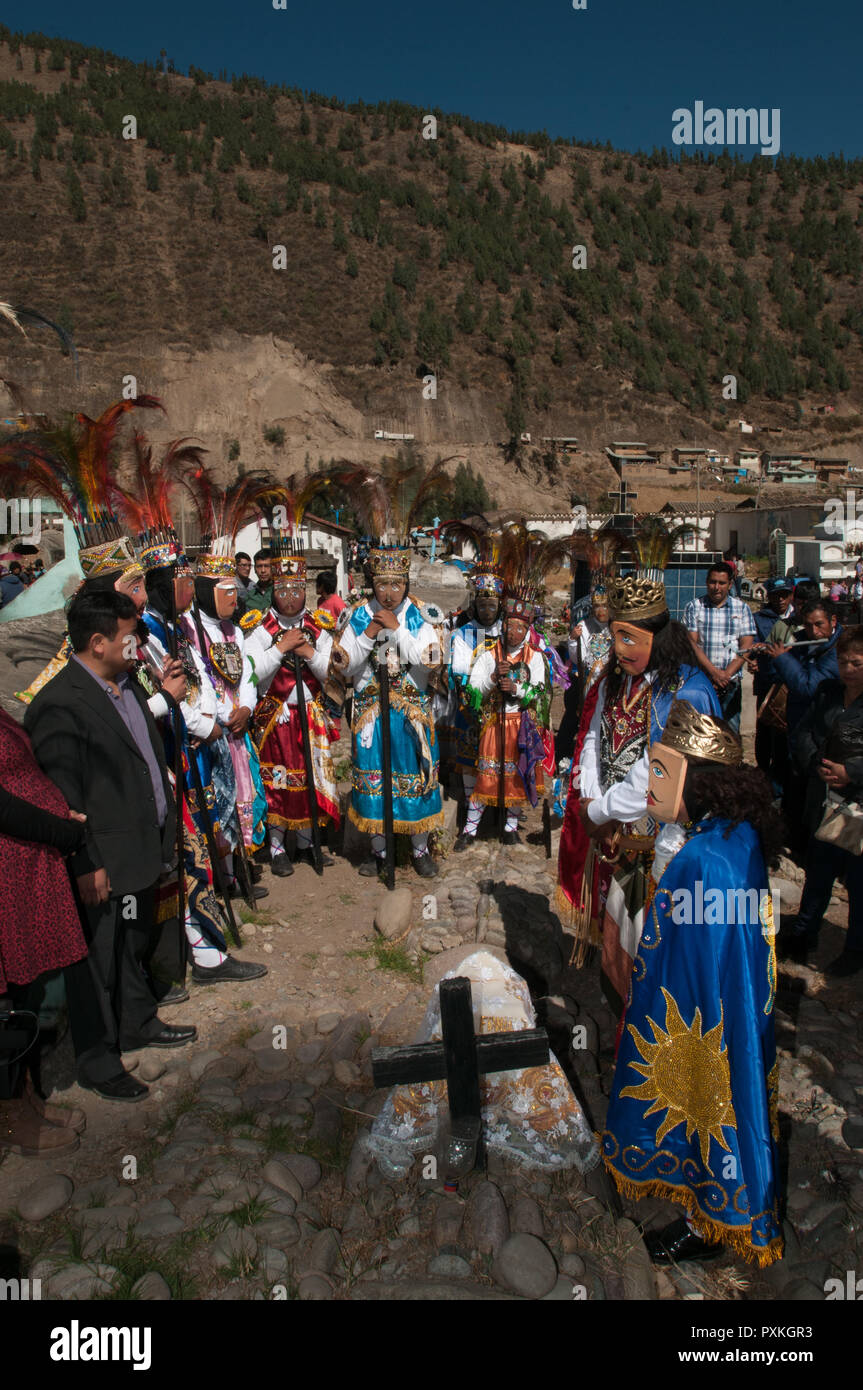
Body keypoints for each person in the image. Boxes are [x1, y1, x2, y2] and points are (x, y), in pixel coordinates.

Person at [602, 701, 784, 1268]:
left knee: (716, 1101)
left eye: (661, 771)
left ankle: (712, 1217)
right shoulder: (732, 837)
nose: (648, 784)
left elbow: (686, 960)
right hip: (733, 1007)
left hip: (707, 1017)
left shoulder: (707, 861)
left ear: (697, 782)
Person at [24, 590, 196, 1103]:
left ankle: (137, 1020)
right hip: (102, 861)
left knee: (130, 942)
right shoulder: (59, 704)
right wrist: (86, 862)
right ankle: (99, 1059)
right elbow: (63, 799)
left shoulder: (123, 685)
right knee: (97, 958)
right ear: (97, 642)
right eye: (128, 638)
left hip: (140, 850)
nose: (137, 646)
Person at [558, 557, 720, 1015]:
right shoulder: (612, 682)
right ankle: (621, 1003)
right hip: (613, 825)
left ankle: (652, 1013)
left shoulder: (685, 691)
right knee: (617, 927)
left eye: (630, 638)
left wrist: (597, 812)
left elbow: (657, 772)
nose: (620, 648)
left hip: (659, 836)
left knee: (649, 933)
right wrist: (589, 792)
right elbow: (592, 735)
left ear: (659, 638)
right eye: (614, 636)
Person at [140, 532, 267, 984]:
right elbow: (164, 697)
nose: (190, 588)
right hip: (174, 756)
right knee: (188, 854)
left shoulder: (174, 628)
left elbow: (209, 685)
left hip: (199, 747)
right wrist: (204, 724)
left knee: (200, 847)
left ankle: (207, 949)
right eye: (183, 580)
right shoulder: (148, 634)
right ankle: (201, 954)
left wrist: (219, 716)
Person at [0, 708, 89, 1156]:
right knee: (4, 999)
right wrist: (61, 831)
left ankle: (25, 1096)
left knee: (19, 990)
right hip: (10, 861)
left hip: (20, 869)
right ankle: (12, 1119)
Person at [339, 540, 445, 878]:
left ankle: (419, 849)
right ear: (372, 582)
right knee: (375, 780)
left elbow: (429, 661)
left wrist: (397, 631)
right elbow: (344, 665)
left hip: (410, 712)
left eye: (396, 584)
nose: (388, 592)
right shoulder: (358, 614)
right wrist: (370, 631)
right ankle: (380, 851)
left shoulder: (421, 615)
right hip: (371, 711)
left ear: (406, 583)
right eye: (382, 584)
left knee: (415, 778)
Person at [245, 546, 341, 875]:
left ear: (305, 590)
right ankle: (276, 847)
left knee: (309, 781)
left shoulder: (319, 626)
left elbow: (334, 672)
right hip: (276, 718)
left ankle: (305, 843)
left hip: (310, 717)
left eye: (296, 589)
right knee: (278, 782)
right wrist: (281, 649)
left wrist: (308, 652)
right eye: (282, 589)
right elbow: (252, 674)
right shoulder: (259, 628)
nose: (289, 596)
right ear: (272, 589)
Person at [182, 552, 269, 896]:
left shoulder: (234, 630)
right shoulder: (189, 630)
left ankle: (237, 870)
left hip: (237, 730)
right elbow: (197, 681)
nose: (234, 599)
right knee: (219, 802)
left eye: (235, 591)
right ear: (206, 591)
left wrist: (246, 707)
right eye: (226, 591)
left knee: (242, 799)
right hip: (212, 732)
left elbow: (245, 671)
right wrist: (220, 715)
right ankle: (223, 878)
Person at [782, 626, 863, 975]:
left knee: (858, 881)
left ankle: (855, 949)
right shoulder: (828, 693)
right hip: (823, 797)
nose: (848, 669)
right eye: (843, 661)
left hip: (857, 806)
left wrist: (852, 772)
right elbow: (802, 732)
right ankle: (802, 935)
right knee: (818, 873)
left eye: (857, 663)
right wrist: (817, 763)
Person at [455, 588, 552, 849]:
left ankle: (510, 827)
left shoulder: (536, 658)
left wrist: (517, 689)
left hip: (520, 725)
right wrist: (493, 680)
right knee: (486, 776)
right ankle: (470, 828)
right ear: (504, 625)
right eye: (509, 626)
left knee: (516, 778)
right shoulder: (489, 654)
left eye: (520, 628)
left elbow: (541, 692)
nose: (513, 633)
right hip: (494, 723)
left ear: (527, 630)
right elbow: (473, 690)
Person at [683, 561, 756, 730]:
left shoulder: (742, 609)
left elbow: (746, 646)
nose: (717, 587)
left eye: (722, 583)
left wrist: (726, 675)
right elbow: (692, 644)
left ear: (730, 584)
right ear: (707, 582)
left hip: (730, 684)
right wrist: (714, 673)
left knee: (730, 731)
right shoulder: (695, 607)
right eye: (713, 582)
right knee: (701, 731)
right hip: (702, 681)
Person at [243, 549, 274, 614]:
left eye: (267, 566)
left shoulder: (279, 593)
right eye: (259, 566)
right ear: (254, 569)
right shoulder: (249, 596)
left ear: (273, 567)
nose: (263, 570)